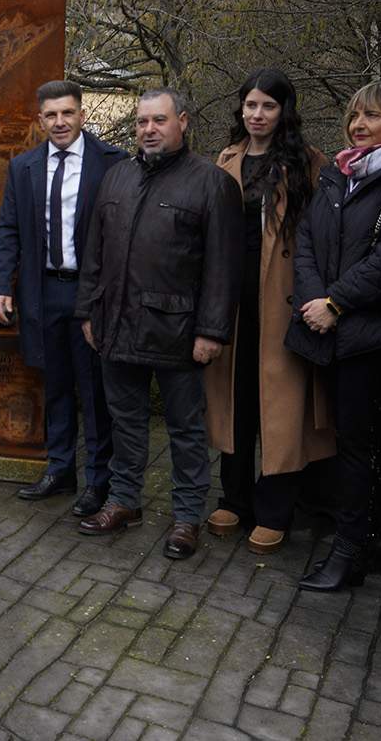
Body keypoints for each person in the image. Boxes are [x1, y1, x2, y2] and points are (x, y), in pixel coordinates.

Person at [73, 87, 243, 560]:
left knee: (186, 429)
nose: (149, 129)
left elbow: (223, 268)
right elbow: (95, 252)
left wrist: (212, 331)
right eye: (142, 121)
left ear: (182, 122)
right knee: (124, 420)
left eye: (159, 121)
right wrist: (87, 311)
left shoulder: (211, 183)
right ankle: (124, 500)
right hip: (116, 325)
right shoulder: (117, 177)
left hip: (179, 332)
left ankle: (187, 516)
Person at [291, 80, 381, 591]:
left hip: (375, 335)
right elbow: (306, 241)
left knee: (358, 445)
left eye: (371, 116)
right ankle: (368, 541)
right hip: (329, 325)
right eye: (354, 115)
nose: (358, 124)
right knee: (355, 441)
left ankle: (349, 551)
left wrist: (336, 302)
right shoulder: (338, 174)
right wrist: (314, 301)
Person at [203, 69, 331, 554]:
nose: (257, 115)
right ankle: (234, 500)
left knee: (280, 409)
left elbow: (321, 239)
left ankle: (275, 508)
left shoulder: (310, 164)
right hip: (233, 305)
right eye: (250, 105)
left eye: (268, 107)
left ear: (284, 111)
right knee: (234, 402)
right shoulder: (226, 160)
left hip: (282, 304)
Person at [0, 80, 123, 515]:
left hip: (91, 296)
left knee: (94, 390)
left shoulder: (111, 163)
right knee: (56, 386)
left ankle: (98, 480)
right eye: (51, 115)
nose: (60, 122)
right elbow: (8, 230)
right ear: (40, 119)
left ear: (82, 114)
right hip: (43, 292)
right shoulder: (24, 167)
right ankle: (60, 469)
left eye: (67, 113)